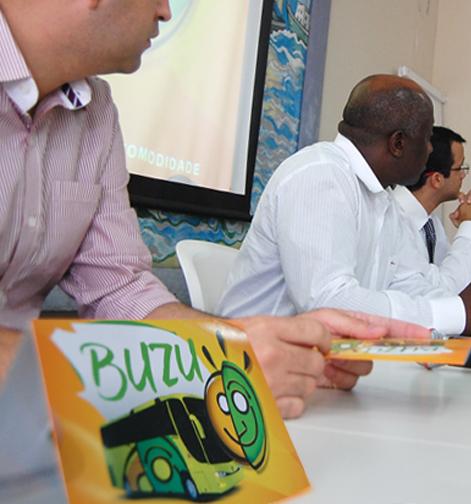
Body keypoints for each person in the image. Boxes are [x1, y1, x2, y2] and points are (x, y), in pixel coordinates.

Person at [0, 0, 429, 419]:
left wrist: (241, 349)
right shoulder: (321, 174)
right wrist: (202, 365)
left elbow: (118, 290)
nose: (166, 11)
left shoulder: (95, 112)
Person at [219, 75, 471, 337]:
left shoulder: (382, 201)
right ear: (398, 143)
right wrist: (455, 313)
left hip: (317, 361)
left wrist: (466, 304)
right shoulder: (320, 175)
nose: (429, 149)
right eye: (426, 138)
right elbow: (327, 302)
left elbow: (410, 283)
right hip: (246, 367)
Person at [391, 126, 471, 294]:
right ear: (437, 179)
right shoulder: (393, 221)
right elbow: (443, 292)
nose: (464, 175)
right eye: (460, 168)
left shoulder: (430, 223)